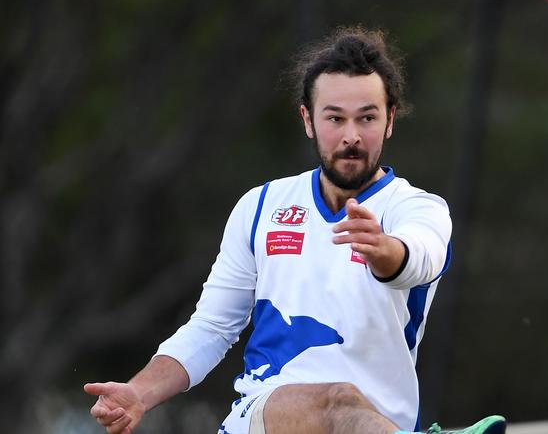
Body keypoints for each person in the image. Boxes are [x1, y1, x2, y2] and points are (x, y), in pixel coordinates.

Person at [84, 27, 506, 434]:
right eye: (335, 118)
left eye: (367, 118)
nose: (352, 136)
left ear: (390, 119)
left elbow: (421, 256)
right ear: (307, 119)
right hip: (264, 417)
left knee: (346, 404)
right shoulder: (261, 206)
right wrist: (139, 392)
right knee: (337, 399)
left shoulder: (418, 208)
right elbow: (211, 327)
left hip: (383, 424)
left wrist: (385, 251)